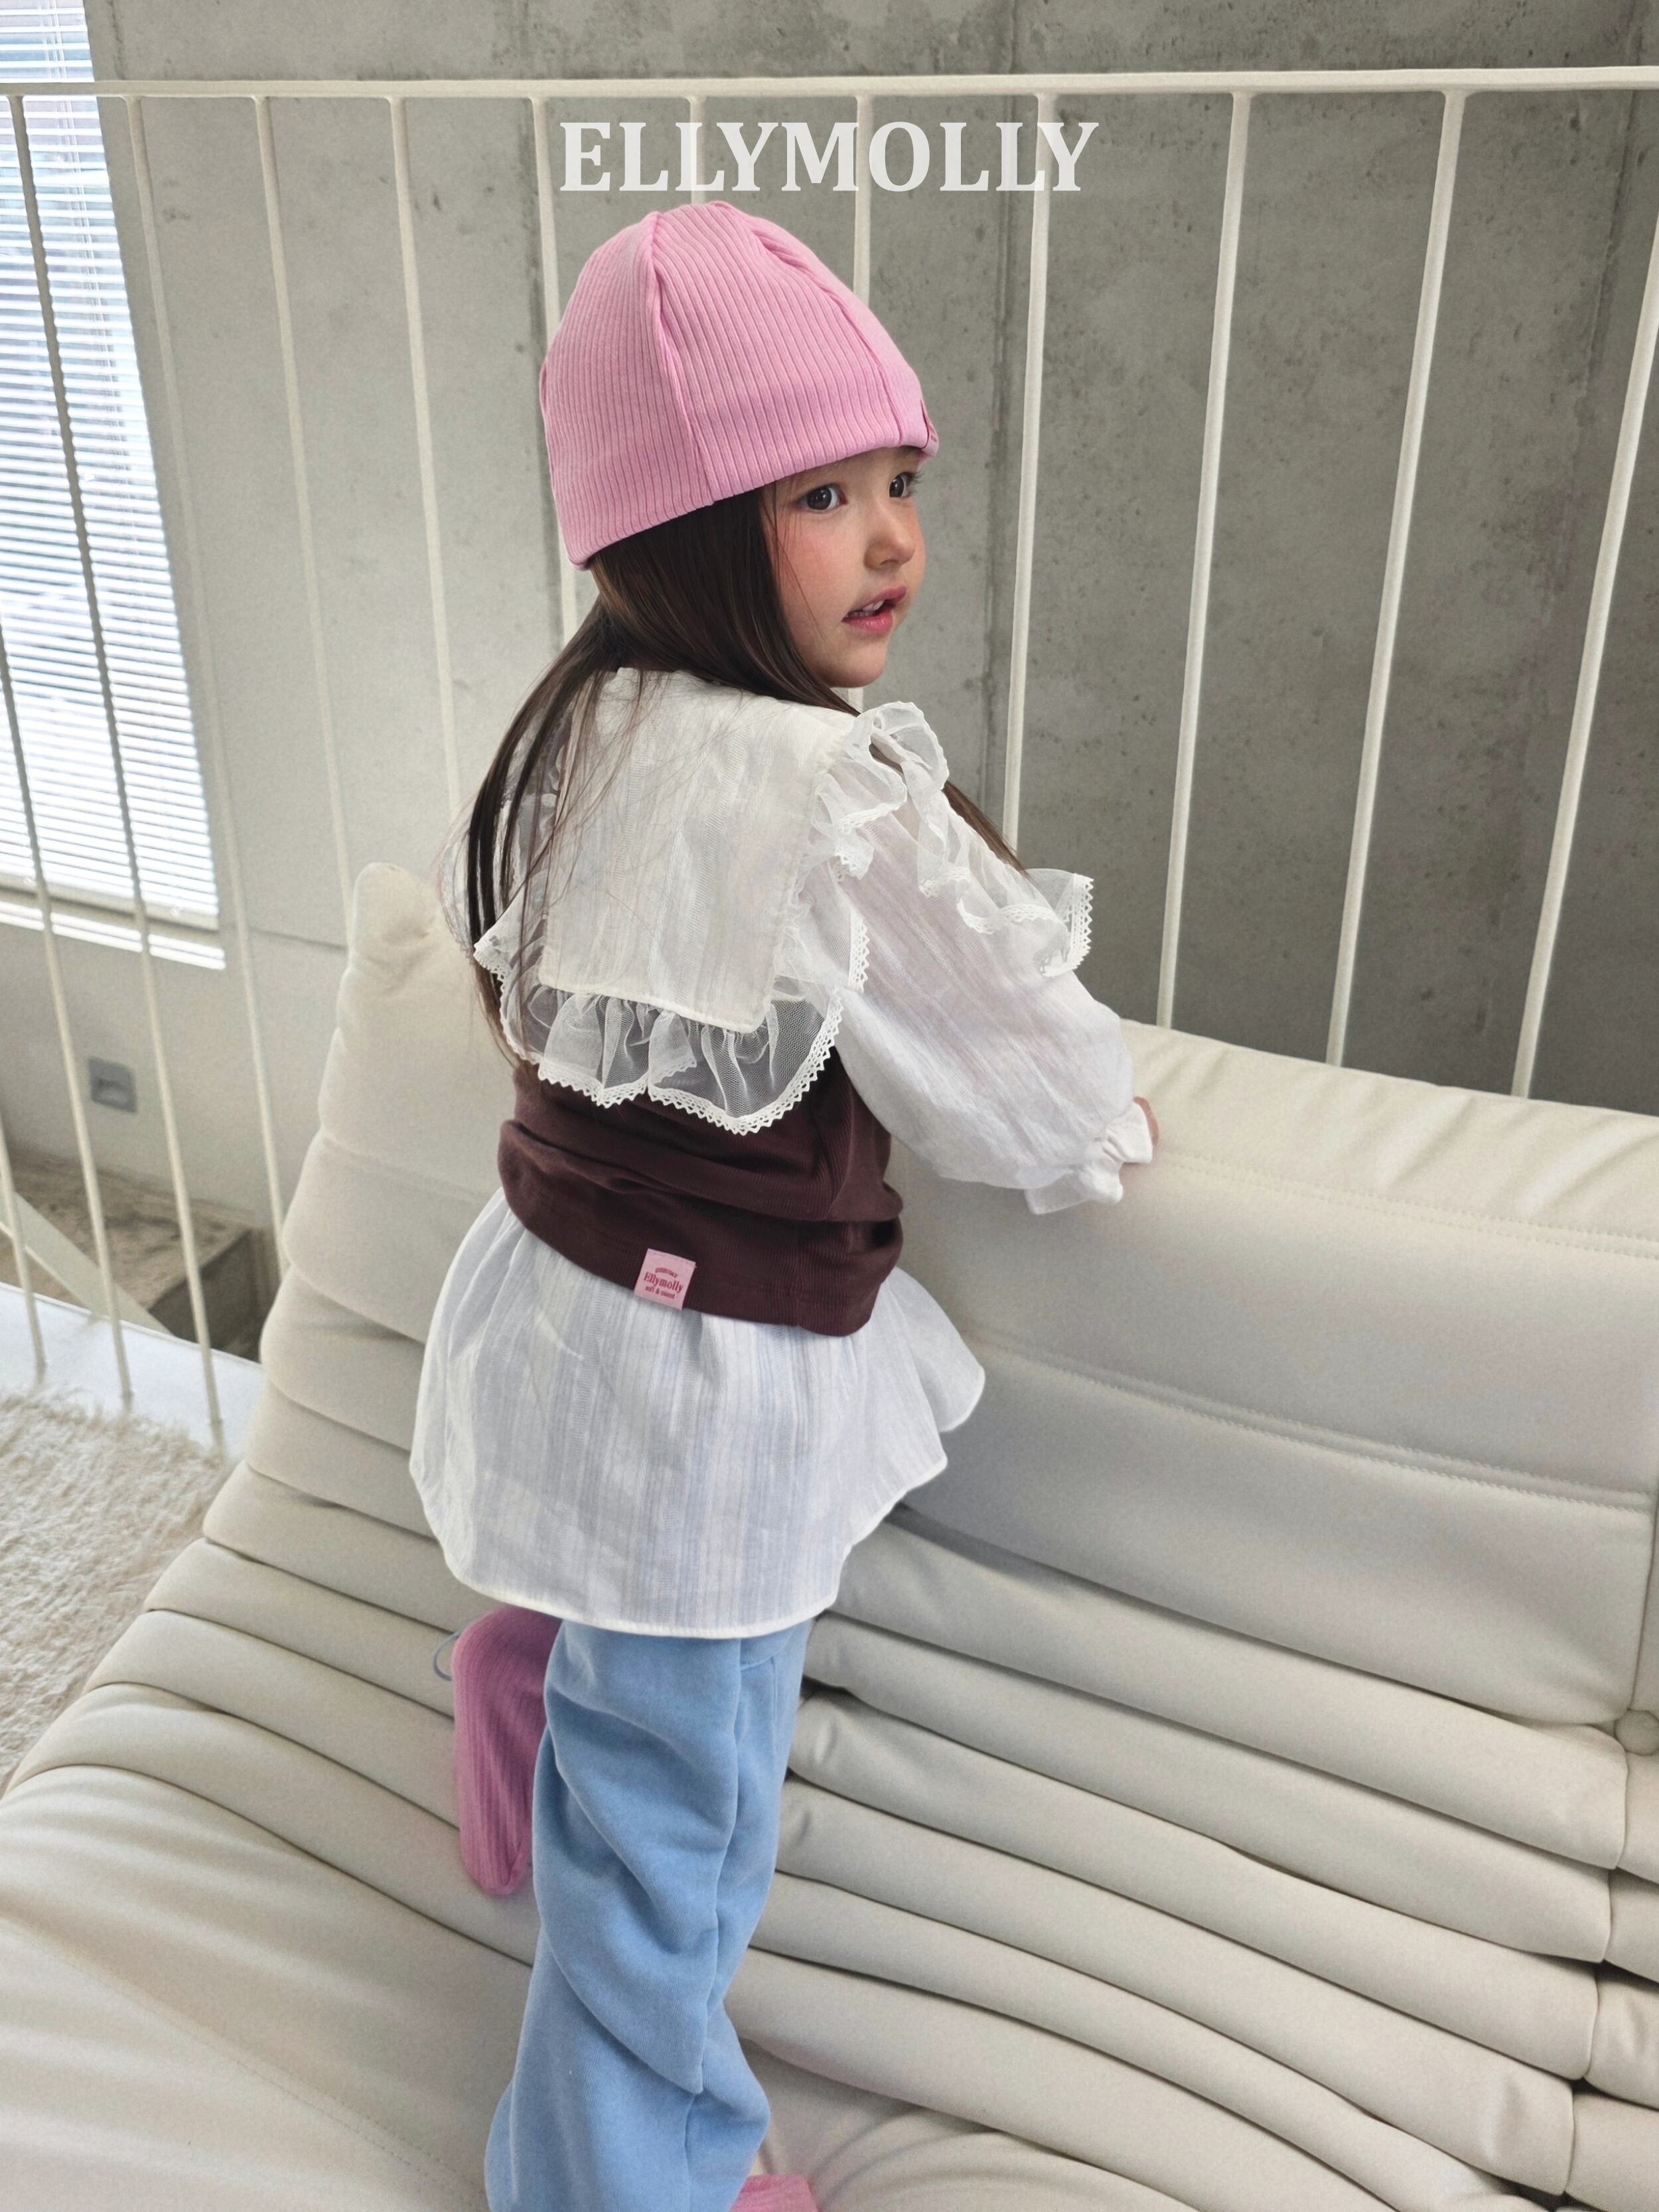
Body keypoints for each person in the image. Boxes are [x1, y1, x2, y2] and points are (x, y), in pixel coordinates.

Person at [408, 196, 1157, 2212]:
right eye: (823, 496)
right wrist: (1102, 1121)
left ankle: (523, 1675)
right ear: (673, 532)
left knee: (611, 1639)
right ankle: (611, 2170)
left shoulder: (573, 723)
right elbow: (1019, 1081)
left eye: (902, 481)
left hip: (556, 1295)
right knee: (679, 1835)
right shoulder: (831, 796)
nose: (892, 540)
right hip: (700, 1393)